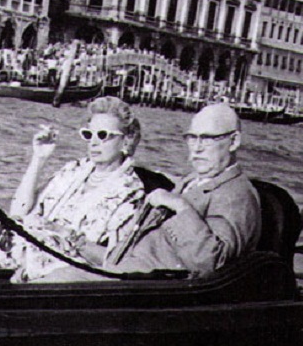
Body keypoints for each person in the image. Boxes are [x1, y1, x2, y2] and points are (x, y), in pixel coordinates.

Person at [41, 103, 262, 281]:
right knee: (40, 271)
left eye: (208, 138)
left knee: (53, 282)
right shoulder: (192, 182)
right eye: (192, 138)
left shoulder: (236, 195)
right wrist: (77, 243)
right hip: (122, 271)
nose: (197, 147)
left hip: (149, 290)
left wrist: (180, 207)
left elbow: (210, 264)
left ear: (234, 141)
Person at [0, 96, 145, 282]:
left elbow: (114, 259)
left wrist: (66, 235)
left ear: (126, 141)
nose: (93, 142)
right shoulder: (73, 170)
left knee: (11, 254)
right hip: (32, 244)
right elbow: (19, 212)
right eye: (88, 134)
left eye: (103, 135)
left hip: (67, 262)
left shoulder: (130, 191)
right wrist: (39, 159)